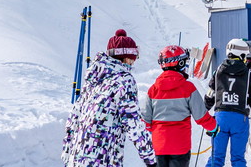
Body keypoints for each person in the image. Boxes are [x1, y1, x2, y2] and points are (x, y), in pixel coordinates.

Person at [62, 29, 157, 167]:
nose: (133, 62)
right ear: (126, 57)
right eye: (133, 58)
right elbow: (133, 124)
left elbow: (73, 118)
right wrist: (151, 158)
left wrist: (67, 153)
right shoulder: (124, 80)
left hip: (77, 159)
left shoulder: (93, 80)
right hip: (102, 159)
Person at [142, 45, 216, 167]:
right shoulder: (188, 88)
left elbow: (146, 122)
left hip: (159, 146)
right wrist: (214, 127)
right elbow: (201, 117)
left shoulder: (153, 90)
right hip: (180, 146)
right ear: (180, 63)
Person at [206, 39, 251, 167]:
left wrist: (206, 107)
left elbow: (210, 95)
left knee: (216, 157)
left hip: (221, 117)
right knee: (238, 158)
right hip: (239, 118)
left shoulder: (218, 70)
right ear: (241, 55)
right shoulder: (248, 74)